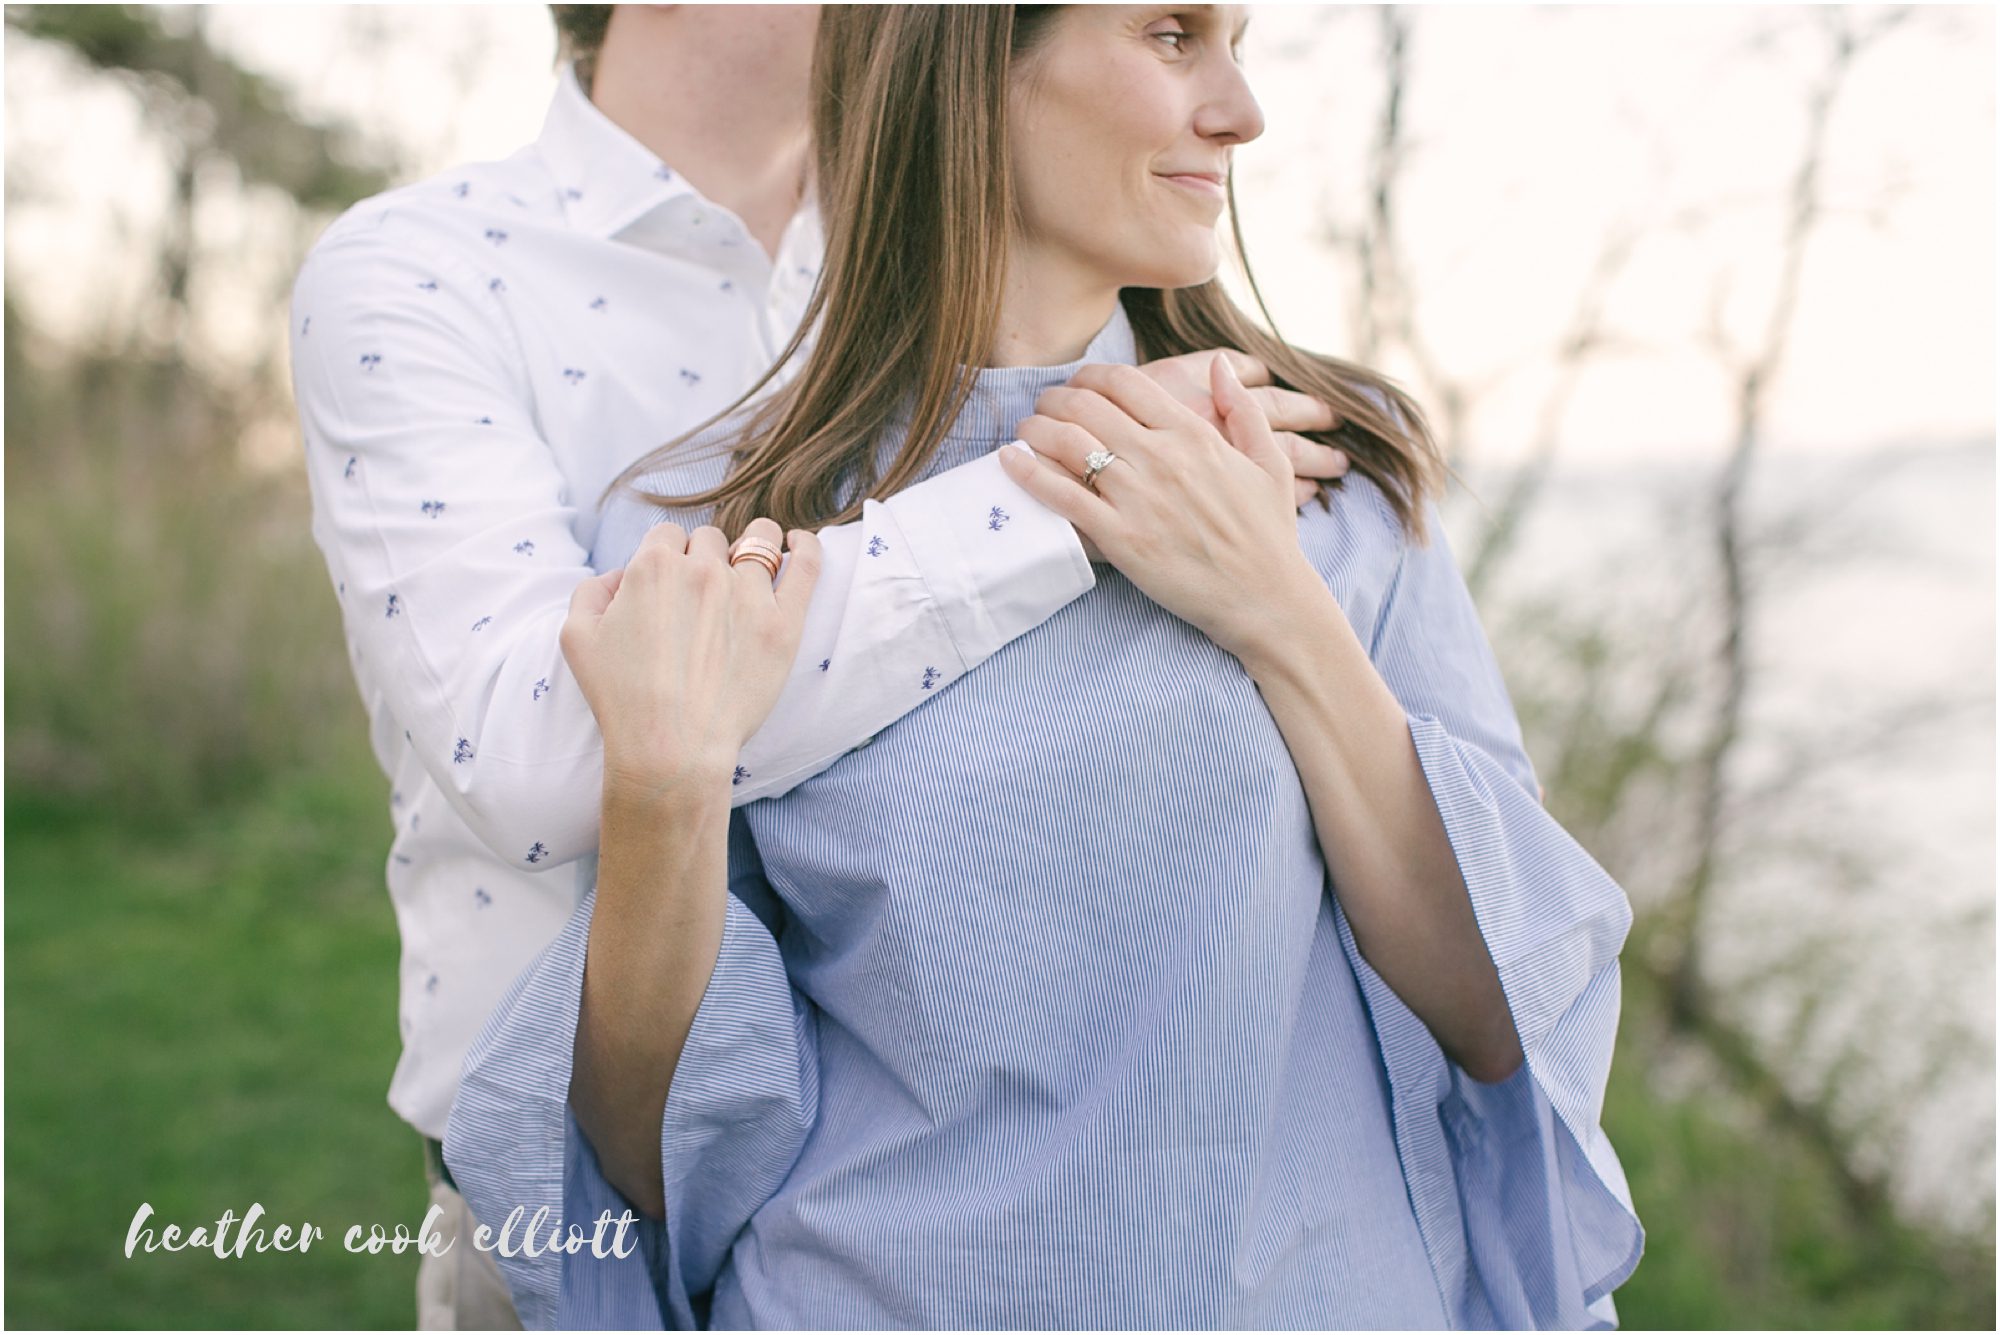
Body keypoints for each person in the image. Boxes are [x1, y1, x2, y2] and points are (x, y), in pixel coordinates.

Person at [448, 2, 1642, 1329]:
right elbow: (652, 1169)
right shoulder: (716, 528)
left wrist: (1274, 609)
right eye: (1174, 34)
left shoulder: (1322, 470)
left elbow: (1501, 1014)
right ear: (973, 65)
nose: (1242, 107)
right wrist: (662, 799)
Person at [288, 4, 1351, 1326]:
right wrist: (1082, 487)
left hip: (899, 1229)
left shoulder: (962, 237)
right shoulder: (422, 274)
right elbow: (529, 752)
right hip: (566, 1217)